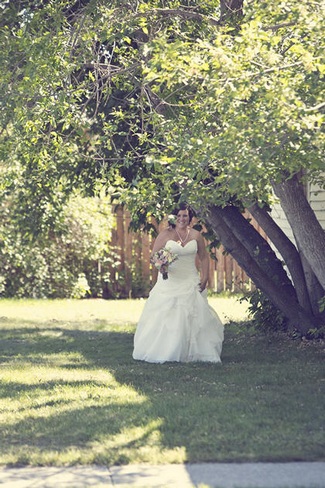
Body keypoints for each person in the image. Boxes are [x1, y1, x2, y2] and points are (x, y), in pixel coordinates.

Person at [132, 202, 224, 364]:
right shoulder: (165, 234)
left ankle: (193, 353)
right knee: (168, 316)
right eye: (179, 215)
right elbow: (154, 256)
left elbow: (203, 257)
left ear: (190, 218)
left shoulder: (196, 235)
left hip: (190, 280)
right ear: (174, 217)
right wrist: (162, 267)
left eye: (185, 216)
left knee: (193, 317)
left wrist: (205, 277)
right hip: (170, 281)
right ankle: (166, 351)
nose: (182, 219)